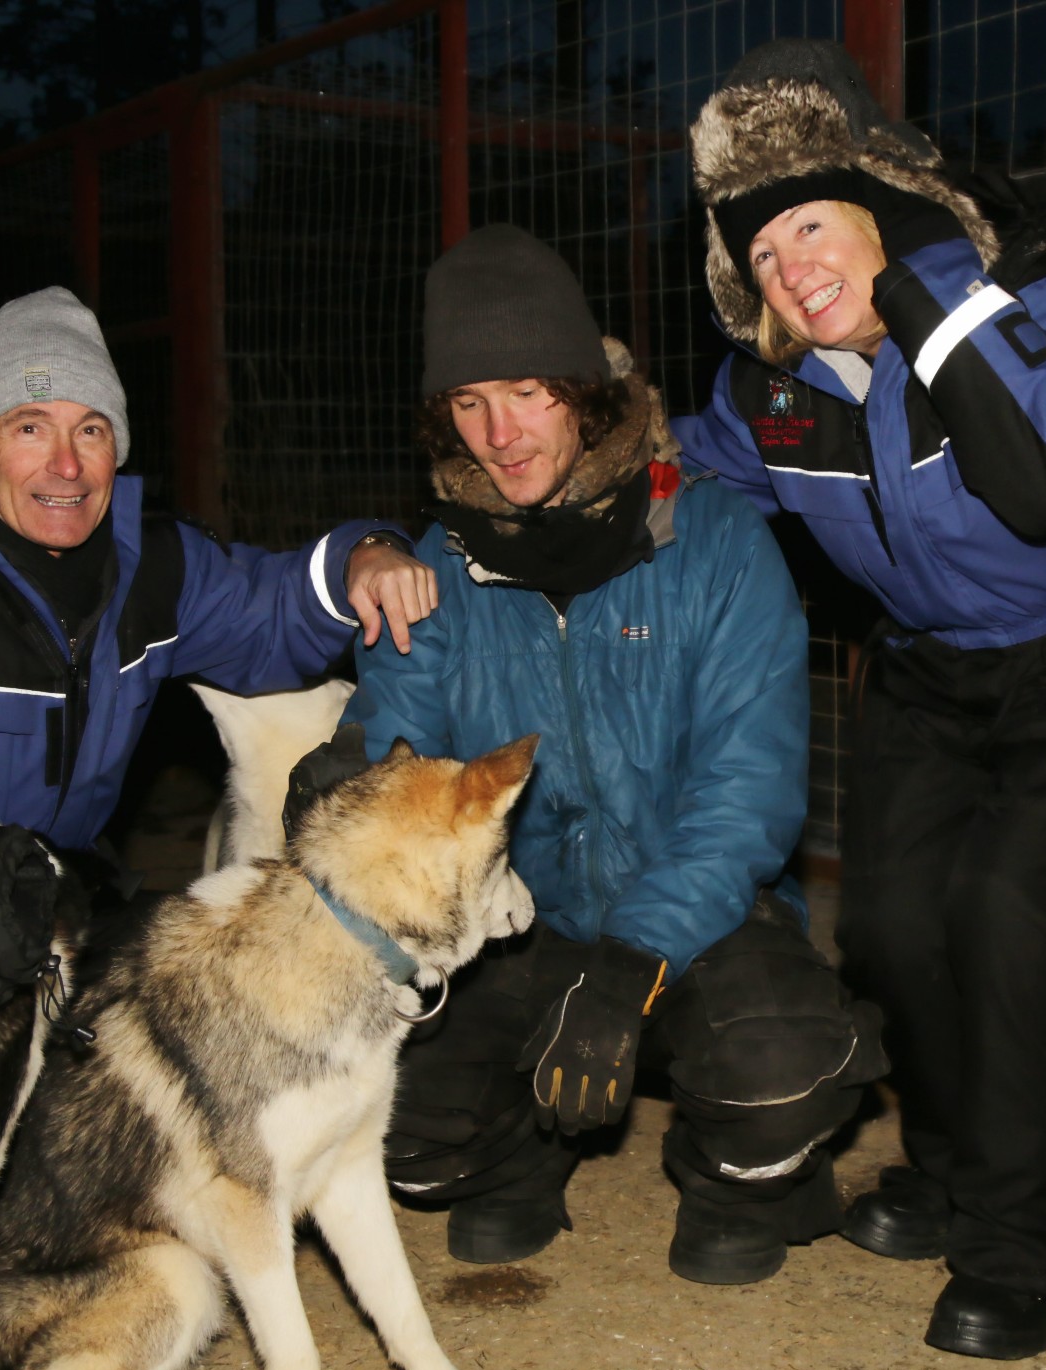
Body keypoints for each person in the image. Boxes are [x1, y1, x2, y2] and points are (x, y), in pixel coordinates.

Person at [670, 38, 1046, 1359]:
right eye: (763, 257)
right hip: (929, 668)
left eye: (815, 228)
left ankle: (1026, 1243)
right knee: (900, 928)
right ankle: (961, 1164)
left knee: (1018, 920)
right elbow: (674, 481)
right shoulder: (772, 392)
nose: (794, 270)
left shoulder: (1044, 298)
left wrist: (931, 289)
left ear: (884, 211)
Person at [331, 223, 886, 1287]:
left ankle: (729, 1178)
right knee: (406, 1139)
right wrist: (347, 776)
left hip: (696, 913)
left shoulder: (712, 539)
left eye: (529, 389)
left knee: (778, 1074)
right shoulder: (433, 564)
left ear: (582, 388)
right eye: (466, 402)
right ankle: (515, 1161)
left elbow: (747, 797)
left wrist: (628, 964)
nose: (500, 433)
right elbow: (399, 760)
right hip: (510, 921)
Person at [0, 286, 435, 937]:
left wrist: (365, 554)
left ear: (118, 450)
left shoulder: (158, 570)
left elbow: (275, 611)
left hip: (59, 905)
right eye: (30, 427)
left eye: (91, 431)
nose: (66, 466)